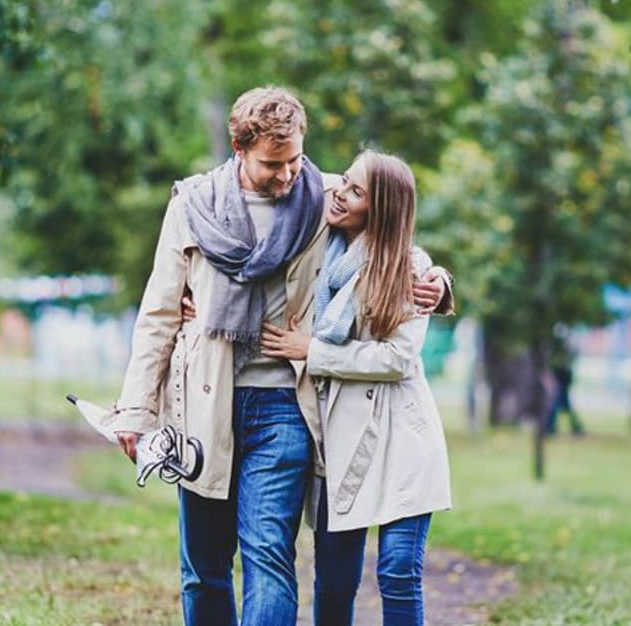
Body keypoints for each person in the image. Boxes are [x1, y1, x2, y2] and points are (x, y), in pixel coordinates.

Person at [103, 87, 450, 626]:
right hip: (203, 405)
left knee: (268, 557)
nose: (288, 175)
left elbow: (390, 232)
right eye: (273, 163)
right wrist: (134, 410)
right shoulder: (192, 207)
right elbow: (159, 314)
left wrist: (437, 281)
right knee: (203, 568)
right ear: (239, 148)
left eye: (295, 160)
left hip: (284, 405)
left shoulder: (321, 195)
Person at [260, 150, 452, 626]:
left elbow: (397, 359)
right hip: (336, 444)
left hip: (401, 442)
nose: (340, 194)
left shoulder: (409, 267)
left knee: (398, 572)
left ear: (381, 209)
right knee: (334, 580)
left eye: (356, 191)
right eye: (343, 182)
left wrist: (313, 352)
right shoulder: (318, 249)